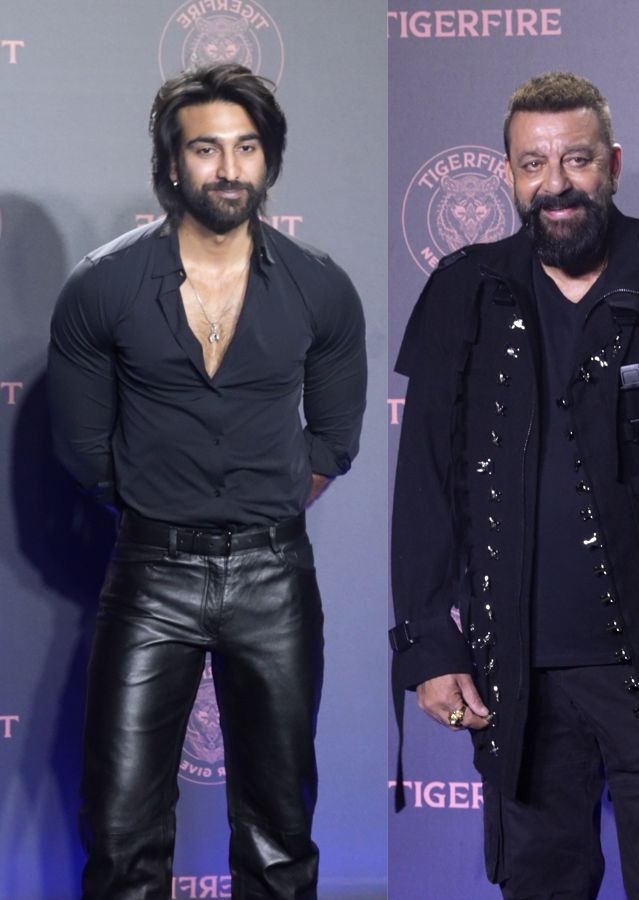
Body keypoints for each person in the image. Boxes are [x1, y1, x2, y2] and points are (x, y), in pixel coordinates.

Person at [391, 71, 639, 899]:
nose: (556, 184)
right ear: (508, 174)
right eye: (533, 164)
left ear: (611, 163)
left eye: (576, 160)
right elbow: (425, 483)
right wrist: (430, 644)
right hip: (516, 676)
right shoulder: (464, 289)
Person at [48, 63, 367, 898]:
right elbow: (83, 450)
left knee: (279, 835)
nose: (228, 168)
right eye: (206, 149)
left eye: (246, 148)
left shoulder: (321, 287)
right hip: (150, 575)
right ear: (171, 163)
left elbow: (333, 441)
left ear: (269, 160)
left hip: (275, 576)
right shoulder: (102, 286)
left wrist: (255, 508)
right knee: (121, 831)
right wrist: (169, 504)